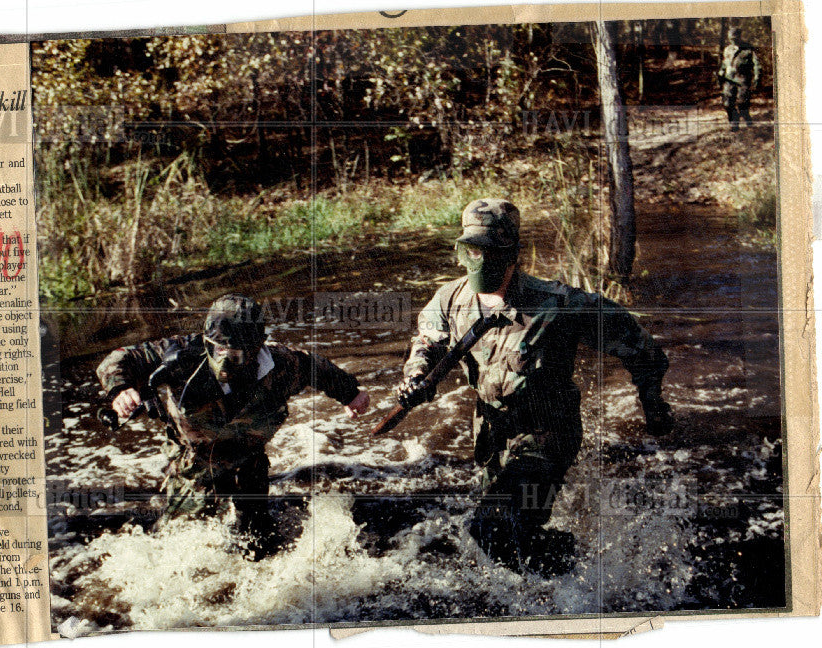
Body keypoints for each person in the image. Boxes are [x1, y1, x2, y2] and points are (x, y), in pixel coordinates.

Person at [397, 199, 673, 573]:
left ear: (512, 253)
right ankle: (567, 573)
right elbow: (427, 343)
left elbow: (640, 346)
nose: (479, 260)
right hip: (492, 436)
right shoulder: (451, 298)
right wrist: (416, 378)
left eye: (490, 251)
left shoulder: (558, 304)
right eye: (471, 250)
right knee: (498, 534)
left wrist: (653, 403)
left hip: (547, 434)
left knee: (493, 527)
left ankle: (583, 583)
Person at [97, 293, 370, 557]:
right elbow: (118, 359)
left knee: (259, 545)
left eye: (236, 354)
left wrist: (350, 393)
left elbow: (316, 367)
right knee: (183, 545)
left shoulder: (280, 365)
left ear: (256, 348)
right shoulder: (178, 354)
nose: (225, 359)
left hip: (249, 459)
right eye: (218, 349)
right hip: (196, 462)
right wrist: (120, 390)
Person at [718, 26, 761, 131]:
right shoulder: (727, 49)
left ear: (739, 36)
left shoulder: (748, 49)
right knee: (727, 103)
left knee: (742, 103)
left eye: (734, 38)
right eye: (730, 38)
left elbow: (756, 64)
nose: (732, 40)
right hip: (729, 79)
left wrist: (757, 76)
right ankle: (734, 124)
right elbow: (724, 63)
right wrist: (720, 74)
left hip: (743, 79)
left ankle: (747, 120)